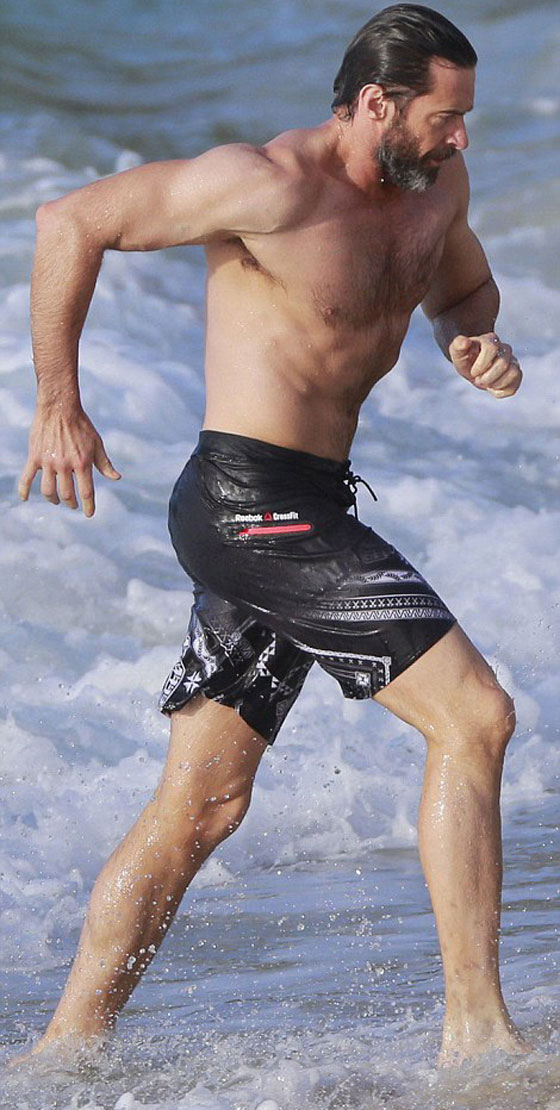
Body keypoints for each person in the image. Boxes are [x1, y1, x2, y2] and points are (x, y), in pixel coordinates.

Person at [17, 3, 527, 1068]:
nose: (460, 136)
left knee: (203, 805)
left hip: (311, 505)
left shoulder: (436, 189)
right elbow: (71, 220)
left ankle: (62, 1053)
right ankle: (478, 1037)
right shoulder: (268, 186)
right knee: (474, 717)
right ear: (376, 102)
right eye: (445, 116)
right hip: (246, 503)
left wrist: (473, 337)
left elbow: (462, 286)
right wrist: (58, 403)